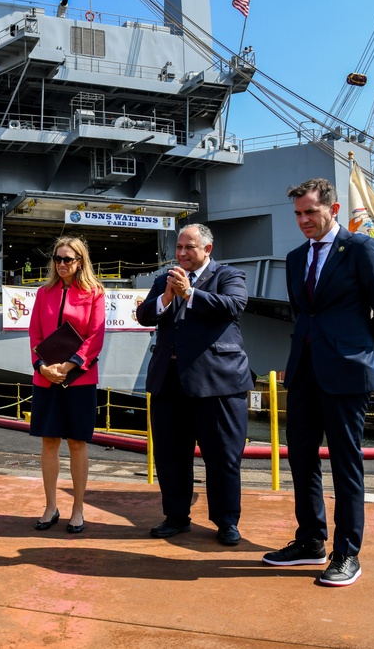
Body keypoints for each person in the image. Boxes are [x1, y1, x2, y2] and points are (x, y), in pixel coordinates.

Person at [262, 178, 374, 587]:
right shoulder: (294, 257)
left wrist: (363, 350)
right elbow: (302, 313)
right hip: (304, 371)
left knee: (345, 464)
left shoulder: (362, 250)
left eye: (311, 212)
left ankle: (347, 553)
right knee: (301, 458)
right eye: (298, 214)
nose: (304, 220)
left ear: (333, 209)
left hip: (347, 372)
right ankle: (310, 541)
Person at [135, 223, 253, 546]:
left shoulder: (229, 276)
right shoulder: (165, 279)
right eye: (179, 248)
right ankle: (176, 516)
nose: (182, 253)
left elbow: (232, 306)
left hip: (218, 384)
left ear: (207, 250)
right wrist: (167, 297)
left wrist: (190, 293)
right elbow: (145, 314)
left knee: (223, 456)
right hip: (169, 382)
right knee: (170, 455)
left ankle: (226, 520)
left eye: (189, 248)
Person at [28, 237, 106, 534]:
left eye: (68, 259)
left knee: (76, 442)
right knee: (49, 442)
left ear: (80, 261)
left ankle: (77, 509)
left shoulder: (94, 292)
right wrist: (42, 367)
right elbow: (35, 334)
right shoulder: (43, 292)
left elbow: (95, 337)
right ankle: (50, 506)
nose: (62, 264)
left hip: (80, 378)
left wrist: (71, 364)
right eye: (58, 259)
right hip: (46, 378)